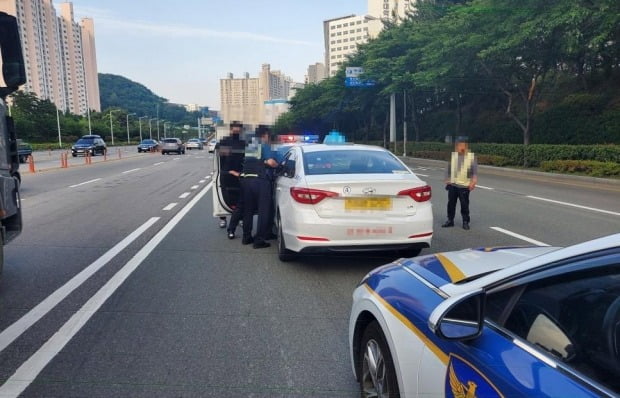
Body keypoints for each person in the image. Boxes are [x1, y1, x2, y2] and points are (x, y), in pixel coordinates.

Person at [238, 126, 278, 249]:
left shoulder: (251, 145)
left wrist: (264, 162)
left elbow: (253, 161)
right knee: (263, 211)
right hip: (260, 181)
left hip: (246, 180)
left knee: (248, 210)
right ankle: (260, 240)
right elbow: (271, 162)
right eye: (268, 136)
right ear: (265, 135)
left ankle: (246, 237)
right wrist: (277, 165)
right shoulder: (264, 144)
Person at [442, 137, 478, 230]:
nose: (460, 147)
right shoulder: (453, 155)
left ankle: (465, 222)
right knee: (451, 204)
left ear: (466, 146)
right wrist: (446, 178)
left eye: (463, 145)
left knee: (464, 205)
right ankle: (450, 220)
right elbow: (448, 169)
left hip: (464, 186)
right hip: (452, 185)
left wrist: (473, 182)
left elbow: (474, 172)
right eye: (459, 145)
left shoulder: (471, 156)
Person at [217, 121, 245, 230]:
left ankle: (240, 218)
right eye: (235, 128)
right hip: (226, 174)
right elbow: (222, 160)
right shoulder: (224, 142)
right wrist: (228, 171)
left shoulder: (243, 143)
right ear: (231, 129)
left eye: (238, 128)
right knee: (225, 197)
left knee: (239, 198)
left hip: (239, 174)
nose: (236, 130)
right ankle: (223, 218)